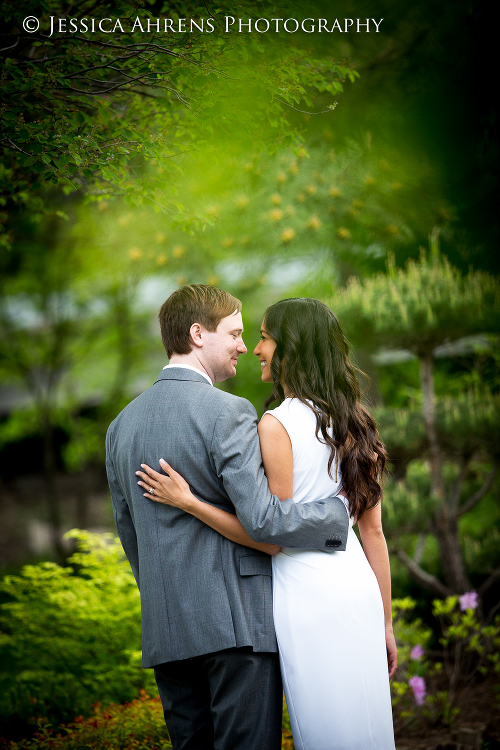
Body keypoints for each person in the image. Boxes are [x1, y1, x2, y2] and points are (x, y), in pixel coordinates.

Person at [138, 297, 397, 750]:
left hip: (307, 594)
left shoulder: (276, 424)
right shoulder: (356, 420)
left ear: (289, 346)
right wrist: (387, 624)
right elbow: (373, 532)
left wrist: (190, 502)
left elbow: (269, 533)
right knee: (366, 722)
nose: (256, 349)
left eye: (262, 337)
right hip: (357, 586)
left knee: (324, 728)